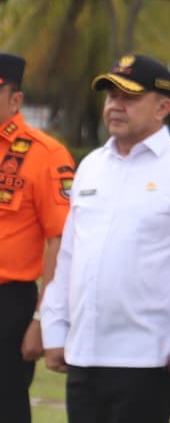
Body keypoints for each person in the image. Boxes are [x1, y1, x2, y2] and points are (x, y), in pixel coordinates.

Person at [41, 53, 170, 423]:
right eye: (111, 96)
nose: (116, 106)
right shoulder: (91, 166)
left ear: (163, 107)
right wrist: (54, 328)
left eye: (130, 97)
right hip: (85, 353)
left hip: (147, 357)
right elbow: (71, 257)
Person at [0, 52, 76, 423]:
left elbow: (60, 242)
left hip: (9, 306)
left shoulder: (46, 155)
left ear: (16, 100)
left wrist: (40, 317)